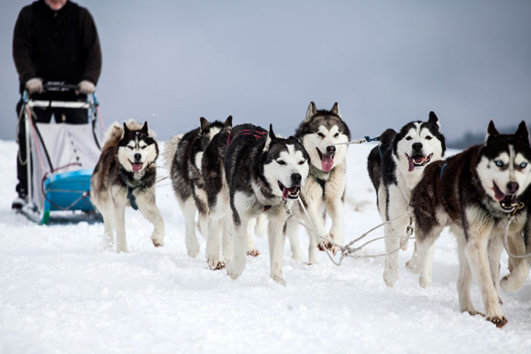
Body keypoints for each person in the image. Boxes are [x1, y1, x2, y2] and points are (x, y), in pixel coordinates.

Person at [12, 0, 102, 209]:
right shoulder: (29, 15)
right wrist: (29, 78)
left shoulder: (81, 17)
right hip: (37, 92)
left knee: (80, 141)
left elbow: (93, 53)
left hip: (75, 92)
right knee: (29, 139)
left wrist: (89, 79)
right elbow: (21, 50)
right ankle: (26, 191)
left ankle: (85, 190)